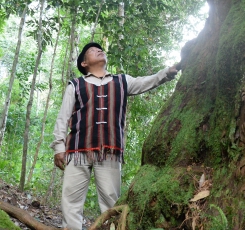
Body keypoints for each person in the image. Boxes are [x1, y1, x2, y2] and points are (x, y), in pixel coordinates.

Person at [50, 42, 179, 230]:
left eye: (100, 49)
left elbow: (146, 81)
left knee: (111, 203)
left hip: (110, 150)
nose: (99, 50)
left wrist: (167, 72)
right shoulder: (75, 85)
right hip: (78, 149)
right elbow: (63, 118)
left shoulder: (122, 81)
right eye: (93, 51)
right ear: (84, 63)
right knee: (71, 201)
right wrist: (59, 148)